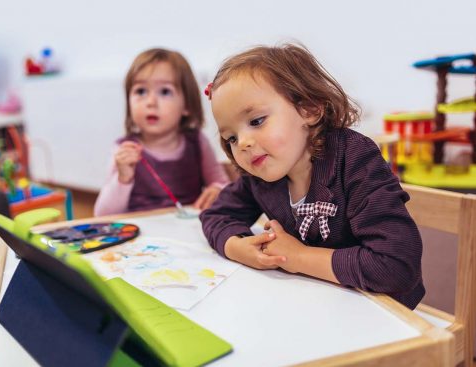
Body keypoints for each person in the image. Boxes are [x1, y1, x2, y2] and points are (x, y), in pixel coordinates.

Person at [200, 43, 424, 309]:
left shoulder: (354, 158)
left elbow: (396, 265)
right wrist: (236, 246)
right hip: (314, 303)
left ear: (309, 109)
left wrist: (299, 256)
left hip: (383, 312)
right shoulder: (260, 175)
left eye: (257, 121)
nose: (244, 143)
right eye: (231, 138)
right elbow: (216, 215)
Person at [94, 48, 229, 216]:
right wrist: (123, 178)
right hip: (140, 234)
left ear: (186, 105)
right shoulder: (124, 149)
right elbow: (103, 215)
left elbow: (221, 183)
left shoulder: (196, 141)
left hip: (186, 229)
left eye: (165, 91)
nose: (150, 102)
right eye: (140, 91)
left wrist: (217, 189)